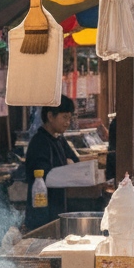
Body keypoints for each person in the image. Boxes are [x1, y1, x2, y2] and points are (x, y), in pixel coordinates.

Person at [24, 95, 79, 228]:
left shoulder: (59, 139)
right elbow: (44, 175)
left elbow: (75, 160)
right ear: (50, 116)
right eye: (64, 117)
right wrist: (67, 165)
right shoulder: (40, 142)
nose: (68, 122)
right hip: (42, 213)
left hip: (57, 208)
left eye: (70, 118)